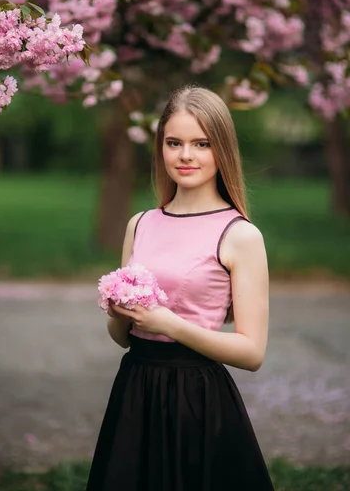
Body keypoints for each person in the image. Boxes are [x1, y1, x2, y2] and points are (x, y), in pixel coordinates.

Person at [86, 86, 275, 491]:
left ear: (221, 149)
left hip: (198, 398)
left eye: (201, 144)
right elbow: (122, 338)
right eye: (174, 143)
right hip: (135, 390)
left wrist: (170, 325)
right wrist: (119, 315)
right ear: (161, 148)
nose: (185, 155)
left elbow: (252, 352)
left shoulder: (240, 235)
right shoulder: (140, 223)